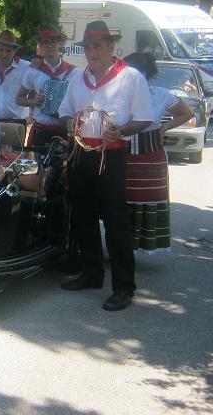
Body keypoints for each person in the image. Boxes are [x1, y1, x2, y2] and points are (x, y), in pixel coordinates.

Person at [58, 20, 153, 311]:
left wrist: (122, 130)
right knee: (82, 214)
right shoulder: (77, 78)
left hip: (111, 153)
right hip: (80, 153)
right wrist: (70, 123)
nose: (91, 52)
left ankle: (124, 287)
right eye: (87, 47)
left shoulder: (132, 77)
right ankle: (91, 273)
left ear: (112, 48)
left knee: (115, 220)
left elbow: (145, 118)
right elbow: (64, 112)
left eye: (98, 46)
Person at [123, 52, 194, 253]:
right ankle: (121, 248)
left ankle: (140, 246)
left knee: (147, 198)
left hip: (151, 155)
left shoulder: (160, 95)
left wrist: (164, 128)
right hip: (123, 154)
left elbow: (187, 113)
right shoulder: (119, 96)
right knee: (121, 200)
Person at [16, 25, 81, 146]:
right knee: (38, 164)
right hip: (41, 129)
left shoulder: (74, 72)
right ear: (40, 45)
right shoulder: (33, 70)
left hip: (64, 130)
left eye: (54, 41)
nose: (50, 45)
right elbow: (18, 99)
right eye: (45, 41)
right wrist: (33, 101)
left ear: (60, 44)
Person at [0, 30, 31, 122]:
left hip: (17, 123)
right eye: (1, 50)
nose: (4, 54)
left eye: (8, 51)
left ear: (15, 50)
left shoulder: (26, 67)